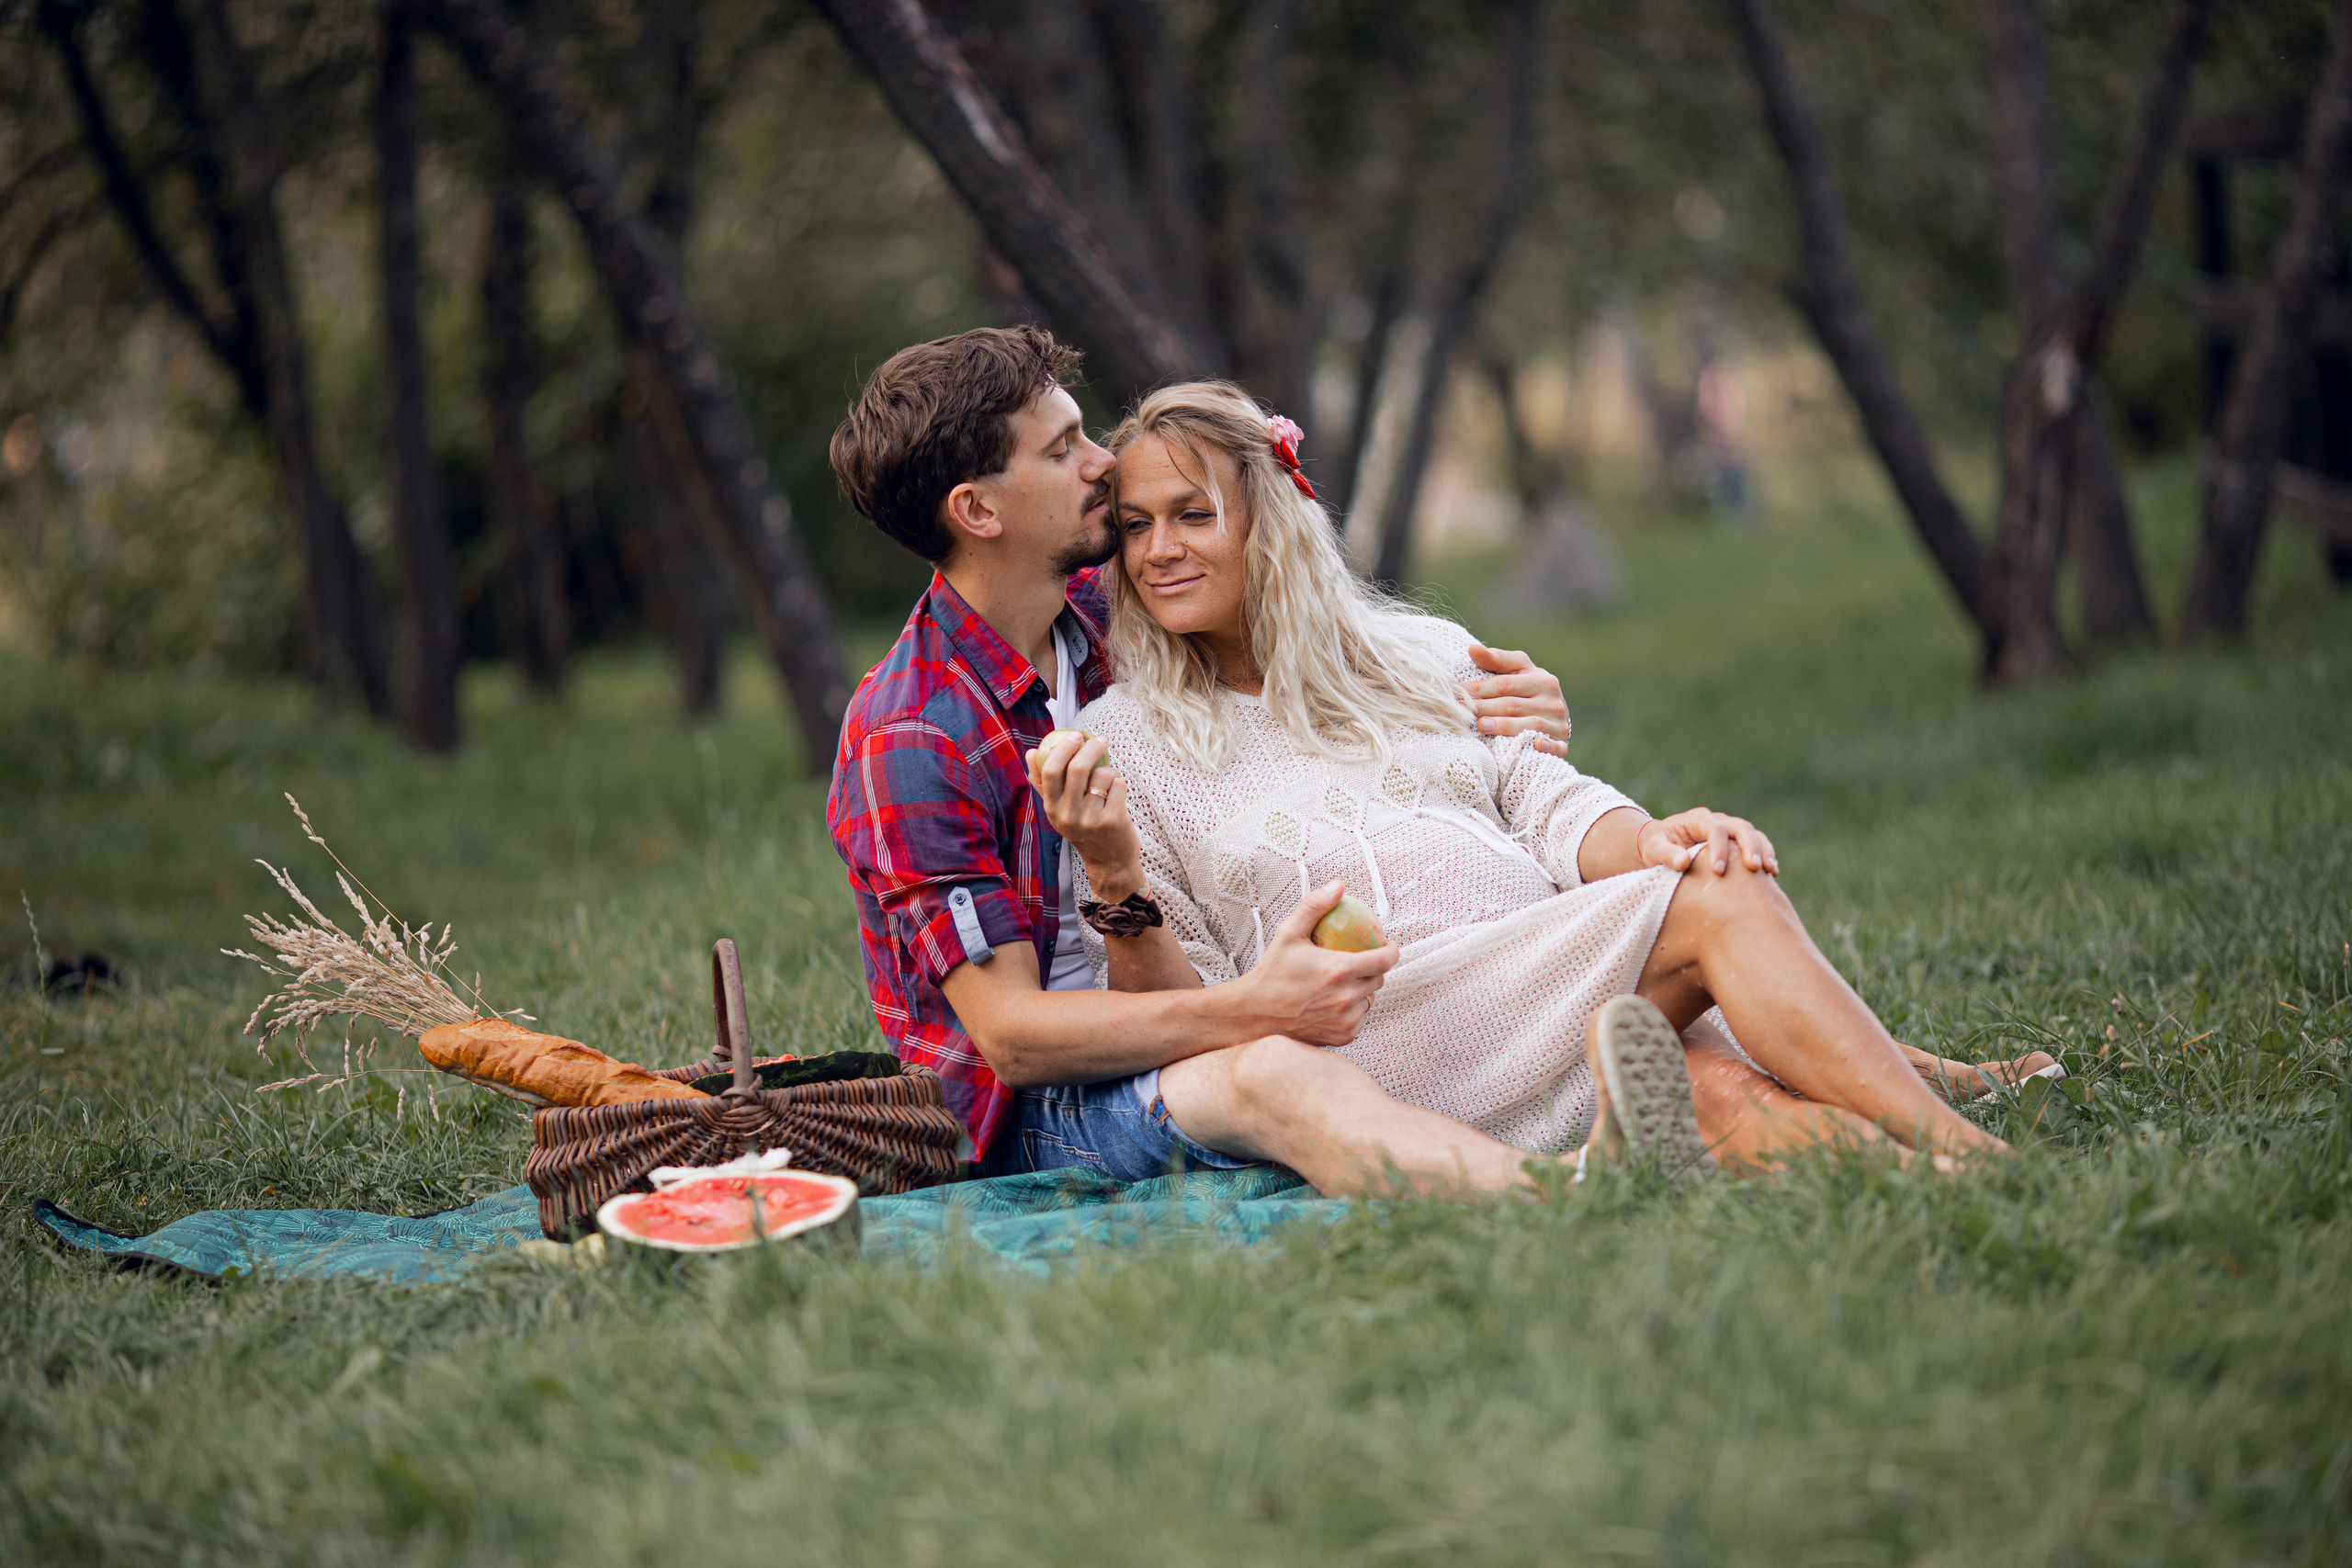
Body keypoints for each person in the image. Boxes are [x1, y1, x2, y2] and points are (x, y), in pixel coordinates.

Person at [1032, 379, 2058, 1178]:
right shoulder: (1125, 742)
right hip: (1390, 1034)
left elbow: (1541, 797)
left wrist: (1649, 838)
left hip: (1543, 975)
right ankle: (1968, 1145)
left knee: (1706, 1077)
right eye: (1134, 526)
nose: (1157, 549)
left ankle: (1929, 1176)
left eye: (1192, 515)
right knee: (1716, 899)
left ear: (1270, 520)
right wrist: (1115, 869)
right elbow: (1185, 1017)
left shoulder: (1420, 655)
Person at [826, 327, 1679, 1194]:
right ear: (978, 511)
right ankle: (1559, 1196)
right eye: (1063, 449)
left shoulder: (1121, 607)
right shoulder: (914, 733)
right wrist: (1254, 1008)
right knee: (1275, 1072)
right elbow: (1012, 1038)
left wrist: (1498, 705)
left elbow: (1322, 655)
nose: (1102, 464)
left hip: (1197, 991)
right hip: (1047, 1109)